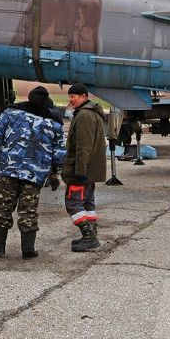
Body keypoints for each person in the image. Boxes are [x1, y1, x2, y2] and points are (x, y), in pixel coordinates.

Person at [0, 86, 66, 259]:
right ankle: (28, 250)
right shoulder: (54, 123)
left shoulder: (10, 113)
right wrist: (56, 173)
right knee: (28, 210)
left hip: (8, 170)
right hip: (34, 174)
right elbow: (59, 152)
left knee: (3, 207)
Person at [63, 83, 107, 252]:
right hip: (89, 169)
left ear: (83, 96)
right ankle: (90, 236)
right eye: (70, 96)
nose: (71, 100)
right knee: (87, 203)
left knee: (73, 203)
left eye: (73, 96)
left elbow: (83, 146)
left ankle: (89, 237)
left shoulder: (84, 115)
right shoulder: (91, 113)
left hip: (81, 170)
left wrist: (80, 171)